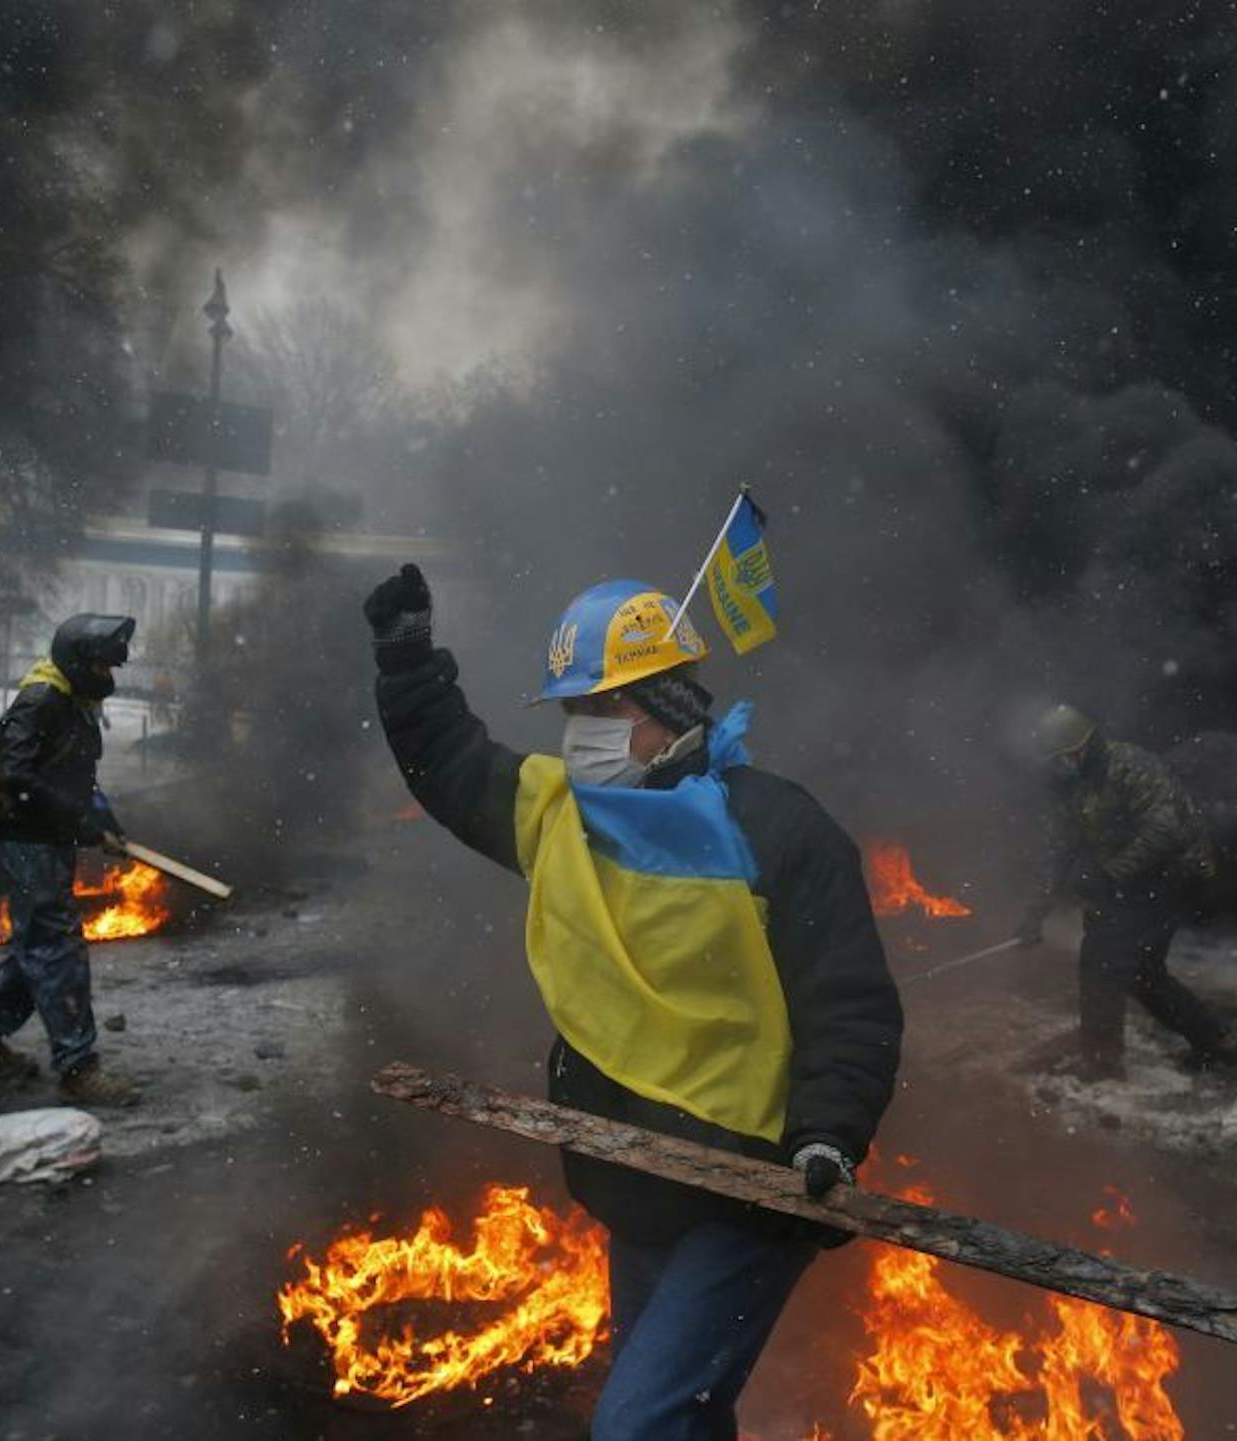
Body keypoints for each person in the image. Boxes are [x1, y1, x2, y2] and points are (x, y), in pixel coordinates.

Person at [364, 564, 902, 1441]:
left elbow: (849, 1003)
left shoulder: (781, 829)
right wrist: (407, 663)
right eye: (574, 712)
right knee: (684, 1414)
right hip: (635, 1176)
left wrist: (827, 1137)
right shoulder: (559, 815)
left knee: (638, 1425)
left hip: (752, 1189)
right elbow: (454, 767)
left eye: (606, 710)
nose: (583, 735)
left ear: (672, 708)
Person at [0, 614, 140, 1105]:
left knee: (37, 942)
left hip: (49, 838)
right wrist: (72, 816)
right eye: (101, 666)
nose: (108, 676)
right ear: (78, 661)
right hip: (26, 841)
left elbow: (80, 776)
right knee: (57, 946)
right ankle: (77, 1065)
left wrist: (103, 819)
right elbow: (17, 777)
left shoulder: (75, 702)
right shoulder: (41, 701)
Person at [1014, 704, 1237, 1081]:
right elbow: (1059, 851)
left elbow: (1166, 828)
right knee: (1143, 974)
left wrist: (1111, 876)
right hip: (1133, 880)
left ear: (1082, 749)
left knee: (1101, 960)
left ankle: (1102, 1064)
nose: (1059, 767)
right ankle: (1218, 1040)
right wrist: (1035, 913)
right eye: (1053, 761)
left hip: (1175, 872)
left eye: (1063, 758)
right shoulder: (1069, 790)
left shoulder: (1130, 766)